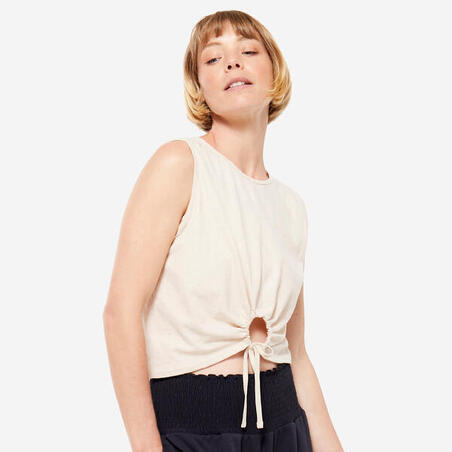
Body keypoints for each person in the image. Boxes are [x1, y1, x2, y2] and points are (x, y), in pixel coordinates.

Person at [103, 9, 343, 452]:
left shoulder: (290, 207)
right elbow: (121, 313)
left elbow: (296, 354)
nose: (232, 62)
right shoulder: (179, 164)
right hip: (194, 431)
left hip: (287, 428)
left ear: (275, 71)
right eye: (213, 59)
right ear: (199, 88)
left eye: (248, 51)